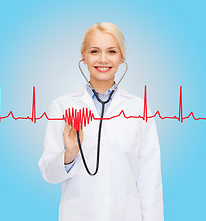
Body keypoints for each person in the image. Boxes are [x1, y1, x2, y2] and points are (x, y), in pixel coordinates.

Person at [38, 22, 164, 221]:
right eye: (95, 51)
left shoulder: (139, 109)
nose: (103, 59)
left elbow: (150, 181)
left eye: (112, 51)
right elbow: (49, 174)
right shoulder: (61, 106)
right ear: (84, 56)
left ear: (121, 57)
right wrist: (69, 154)